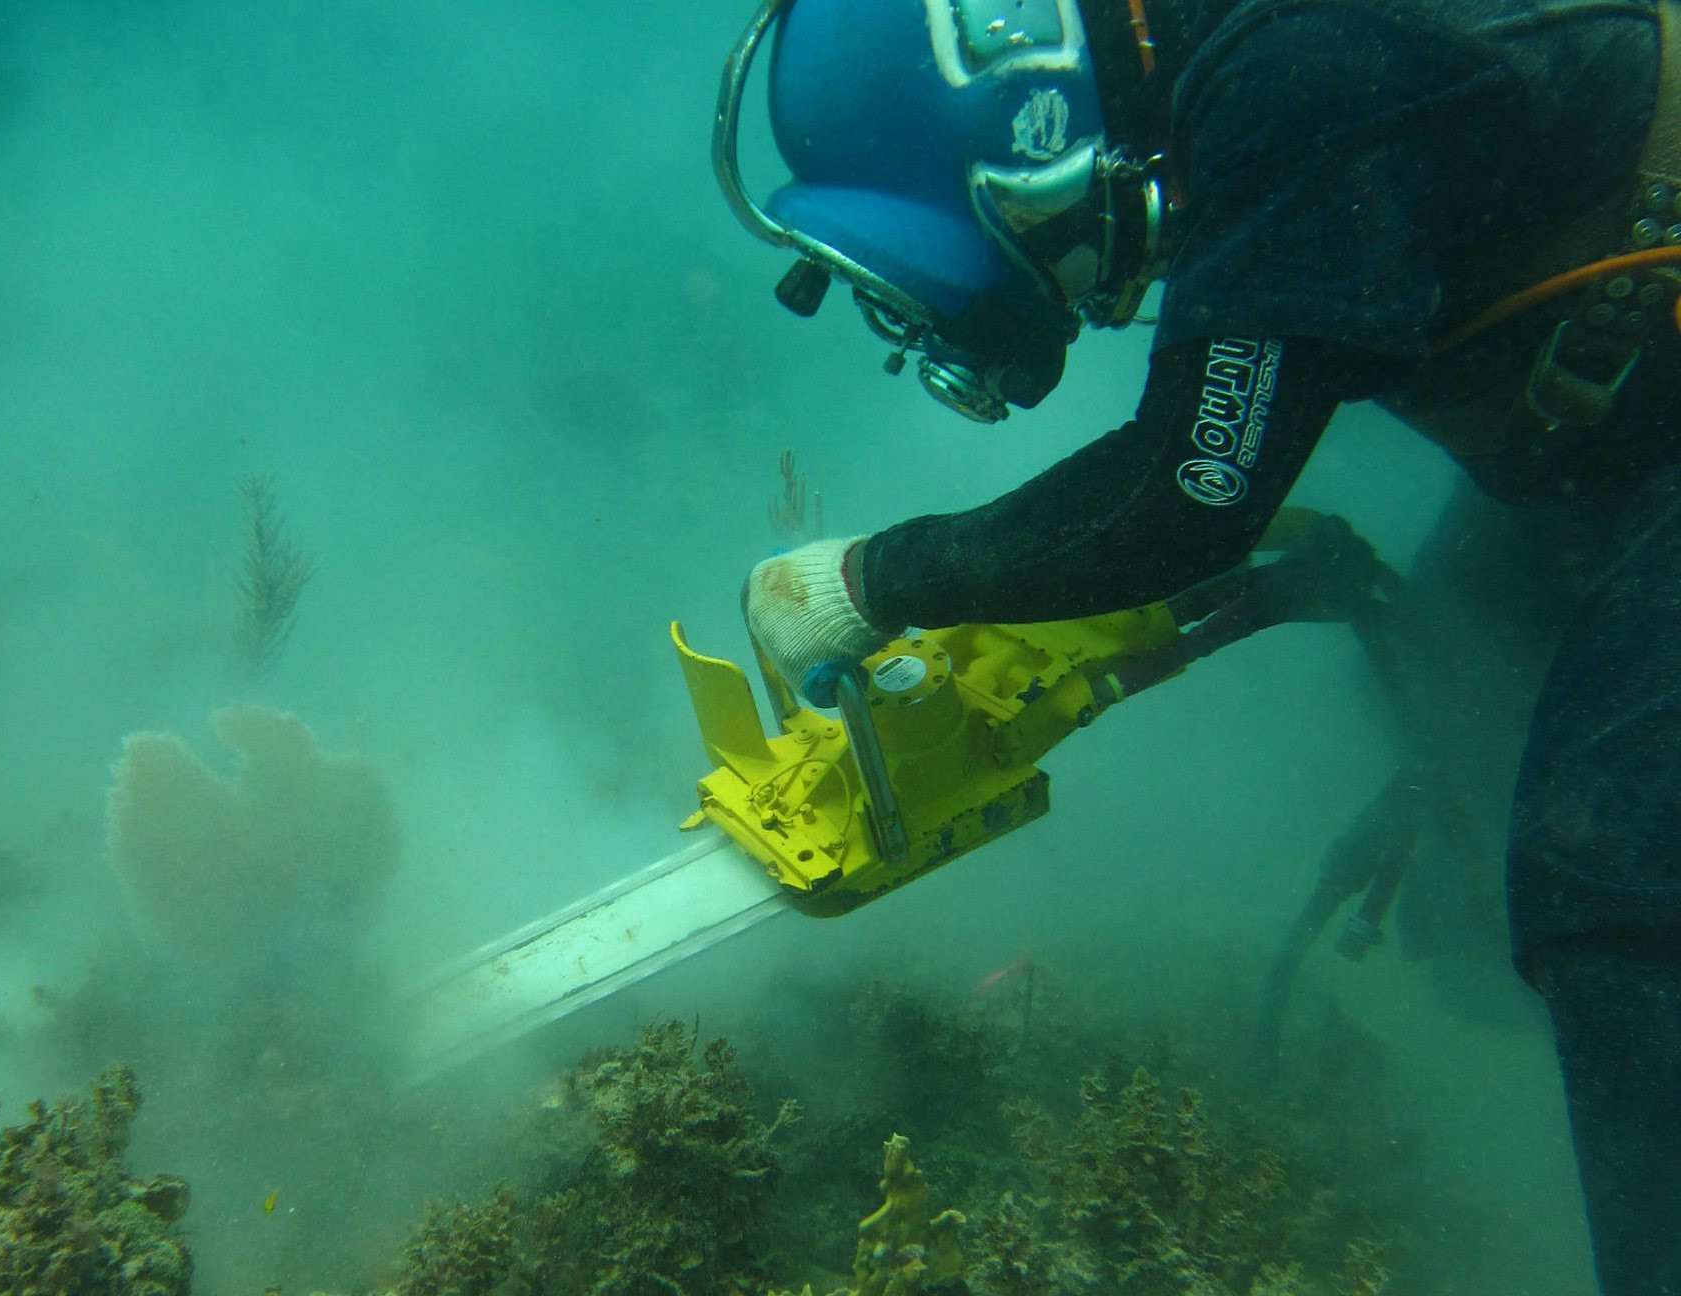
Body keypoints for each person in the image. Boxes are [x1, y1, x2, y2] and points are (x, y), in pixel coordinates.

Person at [713, 0, 1681, 1291]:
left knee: (1601, 855)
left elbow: (1193, 491)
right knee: (1477, 841)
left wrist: (875, 581)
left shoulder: (1302, 72)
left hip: (1630, 407)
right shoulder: (1241, 72)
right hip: (1614, 422)